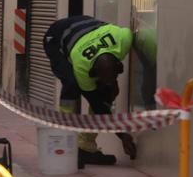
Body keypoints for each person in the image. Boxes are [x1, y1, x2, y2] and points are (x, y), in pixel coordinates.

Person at [42, 15, 140, 168]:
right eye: (101, 79)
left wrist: (108, 87)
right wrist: (122, 135)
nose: (105, 82)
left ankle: (86, 147)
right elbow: (96, 103)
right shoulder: (82, 66)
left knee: (106, 92)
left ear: (118, 63)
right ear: (93, 72)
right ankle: (66, 143)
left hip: (89, 27)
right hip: (56, 36)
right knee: (71, 84)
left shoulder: (123, 38)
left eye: (113, 77)